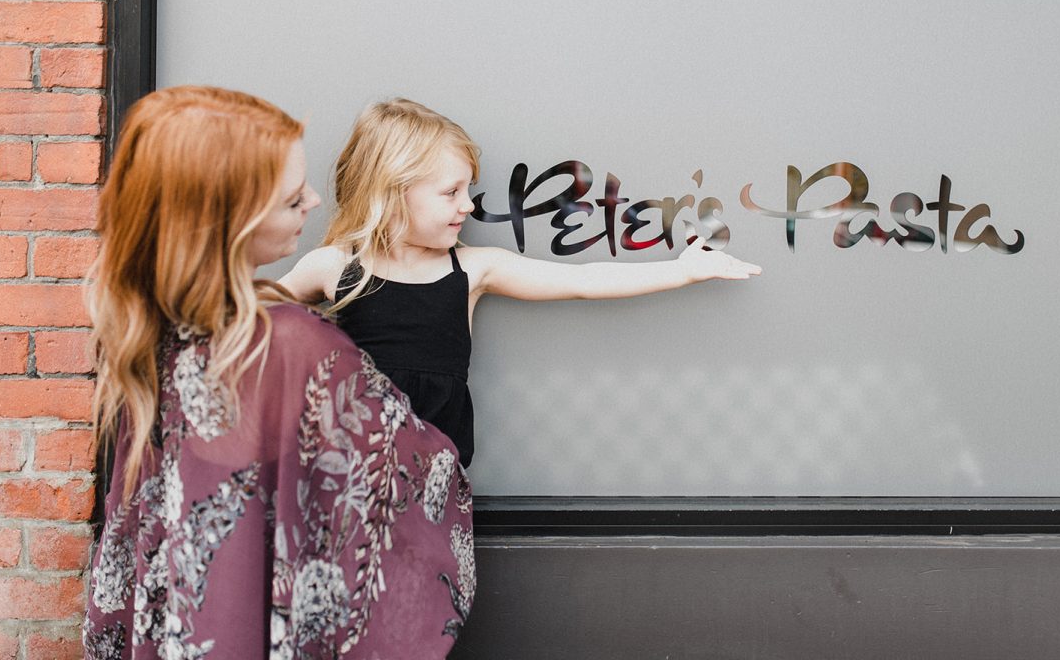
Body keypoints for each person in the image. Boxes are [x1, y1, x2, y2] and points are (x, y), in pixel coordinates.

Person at [83, 87, 474, 660]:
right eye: (293, 199)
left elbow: (132, 534)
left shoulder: (148, 337)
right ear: (233, 218)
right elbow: (422, 477)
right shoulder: (292, 344)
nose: (316, 201)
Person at [279, 98, 762, 467]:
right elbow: (255, 317)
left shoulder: (471, 269)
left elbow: (583, 280)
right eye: (450, 192)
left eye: (467, 189)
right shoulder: (334, 266)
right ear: (390, 194)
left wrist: (680, 270)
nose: (467, 205)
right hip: (345, 472)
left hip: (434, 477)